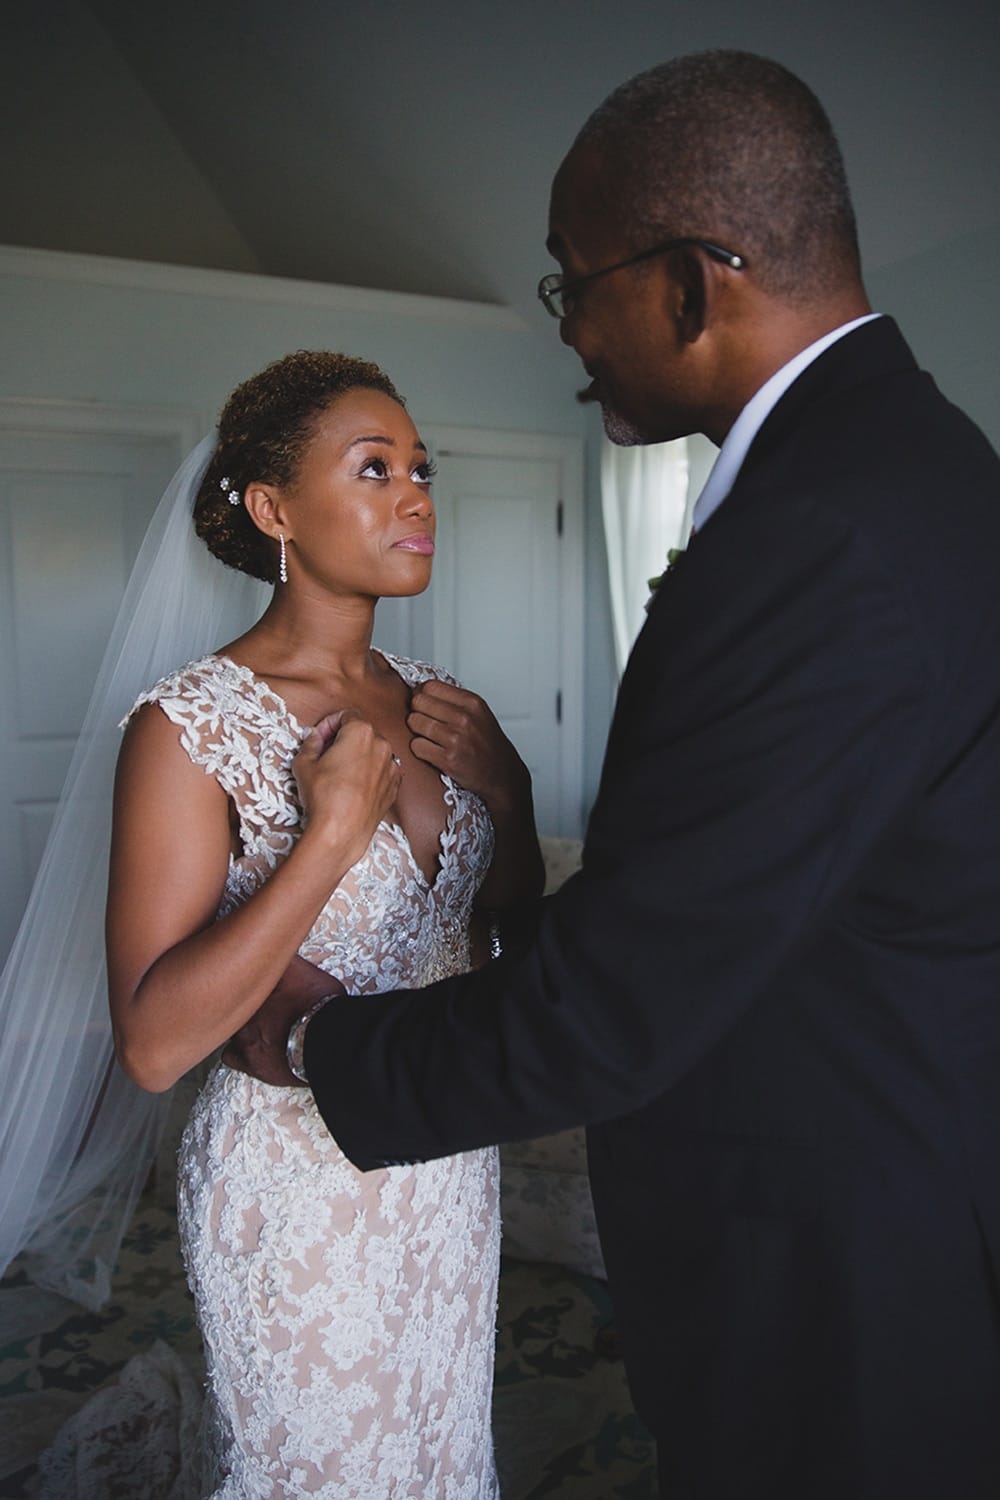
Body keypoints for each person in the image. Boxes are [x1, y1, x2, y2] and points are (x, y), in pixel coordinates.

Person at [226, 51, 1000, 1500]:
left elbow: (627, 995)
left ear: (693, 286)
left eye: (571, 283)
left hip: (835, 1264)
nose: (569, 328)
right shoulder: (916, 468)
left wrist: (320, 1047)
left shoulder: (823, 533)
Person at [42, 350, 543, 1498]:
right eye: (374, 468)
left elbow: (503, 948)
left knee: (440, 1459)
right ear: (274, 510)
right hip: (293, 1190)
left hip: (444, 1153)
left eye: (421, 467)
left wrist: (506, 797)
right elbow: (154, 1043)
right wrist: (326, 840)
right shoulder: (187, 726)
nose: (414, 495)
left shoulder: (435, 698)